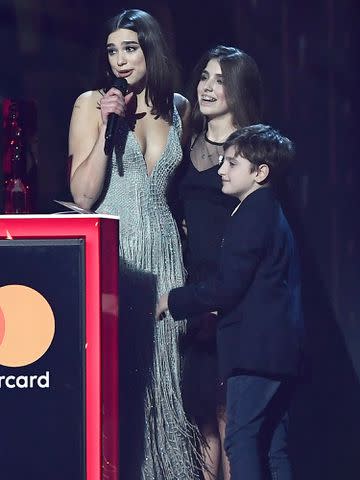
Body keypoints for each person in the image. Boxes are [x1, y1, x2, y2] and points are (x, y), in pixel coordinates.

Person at [68, 9, 200, 480]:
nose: (120, 60)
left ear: (151, 49)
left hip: (164, 258)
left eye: (130, 48)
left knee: (165, 384)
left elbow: (185, 191)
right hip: (114, 257)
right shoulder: (90, 103)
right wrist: (108, 126)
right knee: (117, 380)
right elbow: (82, 197)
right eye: (112, 50)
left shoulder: (180, 107)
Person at [157, 124, 304, 480]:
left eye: (233, 163)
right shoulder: (267, 210)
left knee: (240, 438)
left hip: (256, 351)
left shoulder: (253, 214)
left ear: (260, 172)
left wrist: (172, 300)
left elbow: (227, 288)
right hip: (277, 350)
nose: (221, 169)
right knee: (271, 444)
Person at [175, 45, 263, 480]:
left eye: (220, 80)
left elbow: (255, 228)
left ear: (238, 89)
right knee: (202, 416)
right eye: (204, 77)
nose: (208, 88)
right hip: (193, 286)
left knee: (229, 417)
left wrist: (222, 294)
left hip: (229, 291)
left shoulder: (249, 147)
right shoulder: (187, 139)